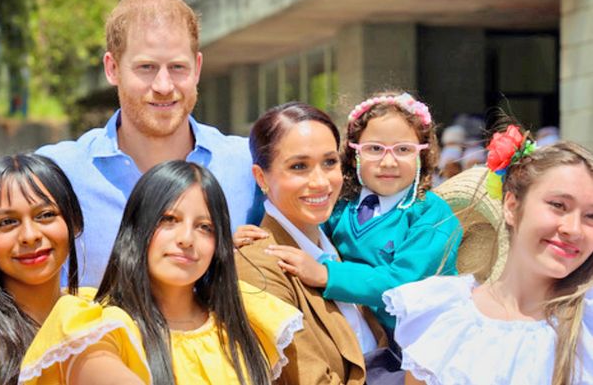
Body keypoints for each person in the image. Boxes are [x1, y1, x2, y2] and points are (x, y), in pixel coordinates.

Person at [36, 0, 261, 287]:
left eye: (177, 67)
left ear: (197, 68)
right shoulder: (57, 173)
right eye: (146, 67)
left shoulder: (249, 166)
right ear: (112, 68)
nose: (164, 85)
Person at [383, 125, 593, 384]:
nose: (573, 229)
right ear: (512, 206)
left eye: (591, 216)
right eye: (558, 205)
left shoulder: (587, 327)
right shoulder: (444, 314)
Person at [68, 160, 302, 385]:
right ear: (137, 227)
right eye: (169, 220)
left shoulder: (245, 318)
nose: (186, 239)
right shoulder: (103, 326)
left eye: (205, 227)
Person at [258, 92, 461, 332]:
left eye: (403, 149)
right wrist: (256, 236)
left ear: (422, 154)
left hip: (424, 344)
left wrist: (326, 275)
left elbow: (403, 283)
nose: (388, 162)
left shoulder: (431, 215)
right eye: (374, 148)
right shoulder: (341, 206)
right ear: (354, 154)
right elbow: (304, 237)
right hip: (366, 341)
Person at [235, 102, 388, 385]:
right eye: (299, 166)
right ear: (261, 177)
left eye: (329, 162)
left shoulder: (339, 244)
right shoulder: (257, 266)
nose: (320, 182)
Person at [0, 154, 95, 384]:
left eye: (46, 215)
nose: (29, 236)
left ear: (74, 223)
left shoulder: (97, 311)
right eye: (7, 222)